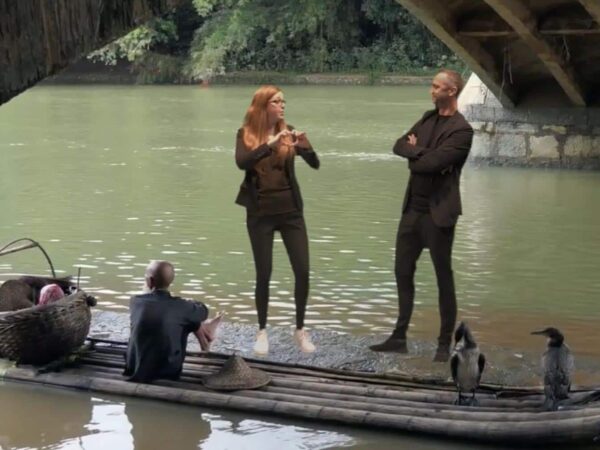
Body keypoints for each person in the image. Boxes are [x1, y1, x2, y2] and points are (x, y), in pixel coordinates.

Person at [369, 69, 473, 362]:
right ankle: (398, 337)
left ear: (451, 91)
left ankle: (443, 345)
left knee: (443, 278)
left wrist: (416, 154)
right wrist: (417, 153)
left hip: (439, 214)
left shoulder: (462, 130)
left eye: (437, 87)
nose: (432, 91)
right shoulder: (427, 119)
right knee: (402, 272)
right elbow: (398, 145)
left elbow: (432, 164)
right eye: (432, 86)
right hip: (412, 212)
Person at [235, 85, 320, 355]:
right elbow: (242, 162)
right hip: (260, 213)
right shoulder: (245, 134)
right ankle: (262, 330)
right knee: (264, 273)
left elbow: (315, 163)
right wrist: (268, 145)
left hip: (291, 212)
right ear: (263, 106)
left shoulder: (289, 131)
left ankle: (300, 329)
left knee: (302, 270)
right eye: (276, 101)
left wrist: (305, 147)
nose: (282, 106)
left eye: (283, 101)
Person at [124, 260, 222, 382]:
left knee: (175, 317)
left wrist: (148, 288)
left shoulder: (135, 301)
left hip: (134, 367)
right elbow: (204, 312)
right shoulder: (181, 306)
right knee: (185, 317)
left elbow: (152, 302)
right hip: (167, 371)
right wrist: (190, 302)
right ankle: (206, 334)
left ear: (150, 281)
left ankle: (206, 334)